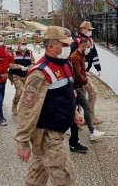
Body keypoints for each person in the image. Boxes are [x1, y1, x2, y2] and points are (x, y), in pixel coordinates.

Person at [15, 26, 84, 186]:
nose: (68, 48)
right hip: (47, 135)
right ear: (51, 46)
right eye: (64, 45)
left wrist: (74, 113)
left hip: (56, 131)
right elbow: (26, 110)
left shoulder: (64, 65)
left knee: (37, 176)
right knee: (65, 178)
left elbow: (66, 94)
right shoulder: (40, 73)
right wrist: (23, 143)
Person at [69, 38, 105, 153]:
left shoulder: (81, 56)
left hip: (78, 87)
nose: (90, 49)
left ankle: (88, 133)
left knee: (83, 109)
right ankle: (83, 136)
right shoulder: (75, 57)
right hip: (76, 87)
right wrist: (85, 80)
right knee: (82, 109)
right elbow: (77, 74)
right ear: (83, 46)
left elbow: (81, 71)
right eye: (89, 47)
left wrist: (85, 76)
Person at [71, 21, 103, 125]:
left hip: (86, 72)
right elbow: (71, 58)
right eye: (89, 30)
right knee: (84, 95)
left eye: (91, 30)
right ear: (83, 29)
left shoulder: (91, 41)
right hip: (79, 75)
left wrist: (98, 68)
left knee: (85, 95)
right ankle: (81, 119)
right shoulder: (76, 42)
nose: (90, 32)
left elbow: (94, 55)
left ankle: (87, 117)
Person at [8, 37, 36, 115]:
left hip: (26, 75)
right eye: (22, 44)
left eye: (25, 44)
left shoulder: (29, 52)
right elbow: (9, 64)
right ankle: (14, 105)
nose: (24, 45)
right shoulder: (13, 52)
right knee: (20, 90)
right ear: (18, 44)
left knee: (27, 92)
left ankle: (25, 107)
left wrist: (27, 68)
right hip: (16, 75)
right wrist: (18, 66)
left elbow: (33, 64)